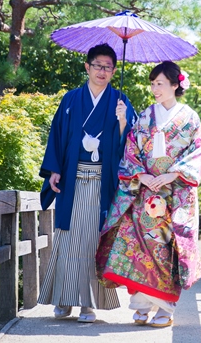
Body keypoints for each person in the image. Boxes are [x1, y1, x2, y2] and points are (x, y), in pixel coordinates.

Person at [96, 61, 201, 328]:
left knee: (165, 248)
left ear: (175, 85)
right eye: (153, 83)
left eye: (160, 83)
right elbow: (131, 148)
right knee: (138, 246)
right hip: (145, 192)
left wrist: (173, 174)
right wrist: (142, 175)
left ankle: (166, 308)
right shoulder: (145, 116)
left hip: (174, 193)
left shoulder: (190, 117)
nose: (155, 88)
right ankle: (142, 305)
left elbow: (197, 151)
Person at [38, 43, 136, 323]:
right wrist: (54, 170)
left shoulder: (120, 101)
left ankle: (88, 304)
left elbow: (132, 143)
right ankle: (63, 299)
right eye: (97, 65)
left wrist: (122, 122)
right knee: (67, 238)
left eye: (108, 67)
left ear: (114, 71)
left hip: (102, 183)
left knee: (94, 239)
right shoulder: (71, 99)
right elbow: (57, 136)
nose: (102, 71)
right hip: (72, 179)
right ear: (87, 67)